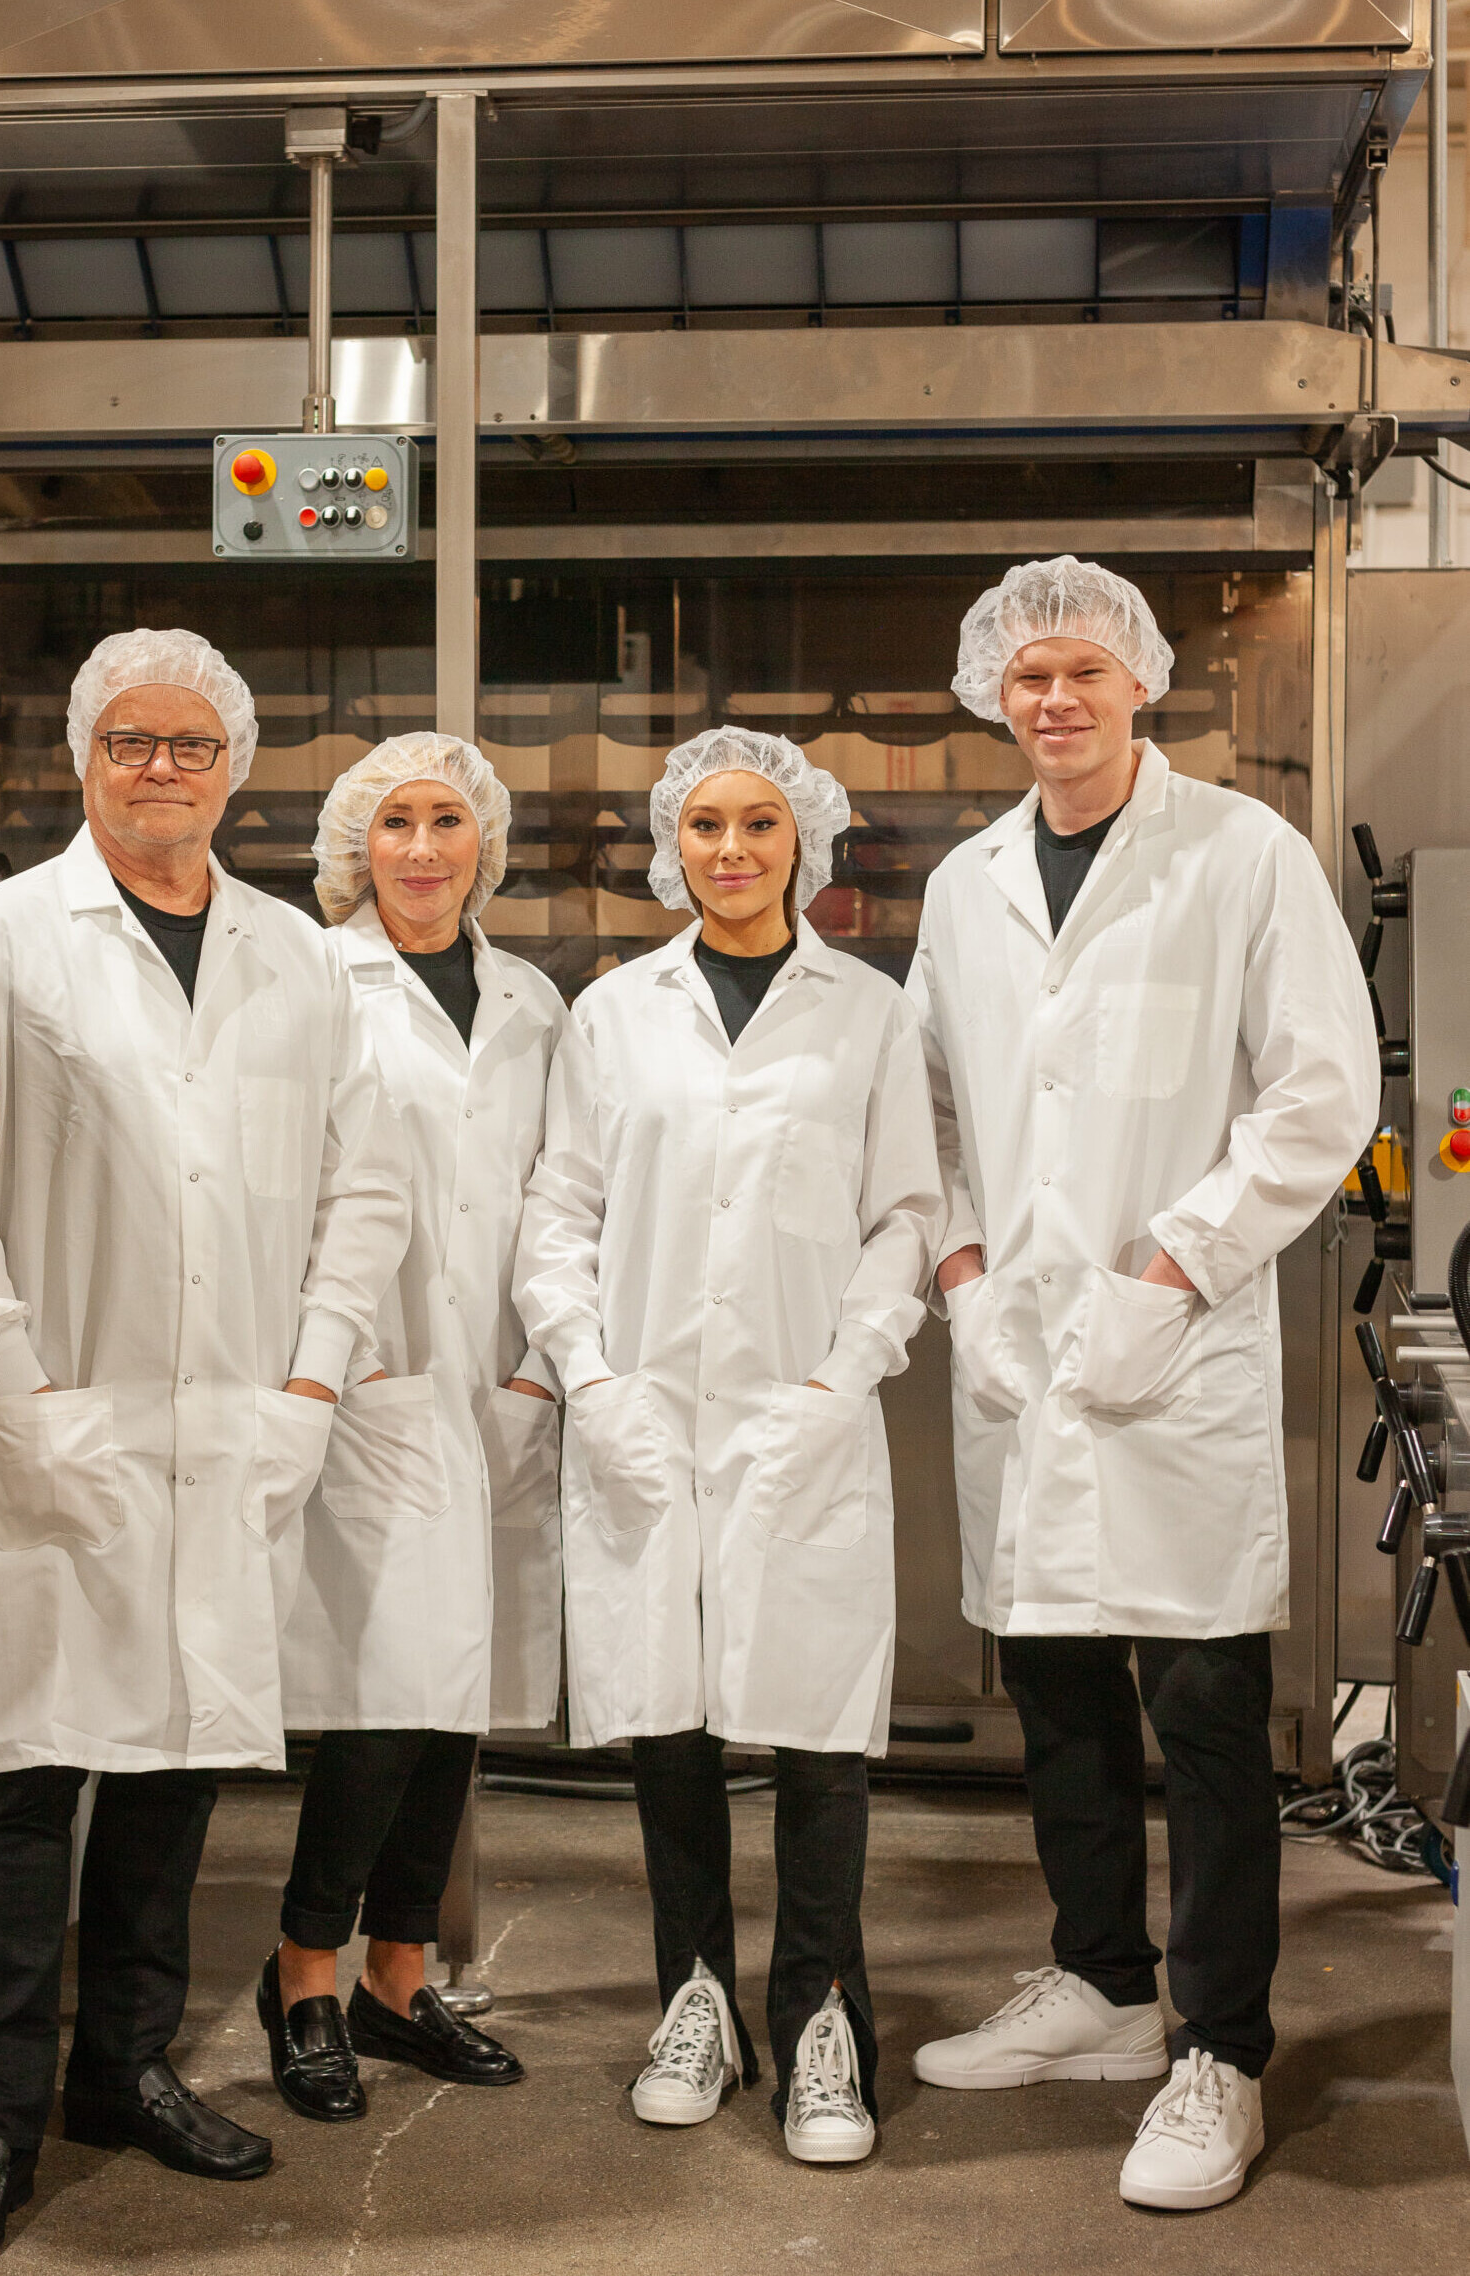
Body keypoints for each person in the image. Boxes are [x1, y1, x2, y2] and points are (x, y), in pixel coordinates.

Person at [0, 629, 411, 2271]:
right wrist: (17, 1394)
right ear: (85, 758)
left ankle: (124, 2070)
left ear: (234, 765)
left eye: (190, 743)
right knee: (22, 1791)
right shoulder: (5, 946)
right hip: (48, 1427)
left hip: (232, 1429)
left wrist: (309, 1390)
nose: (161, 766)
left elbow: (360, 1191)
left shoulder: (299, 962)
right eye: (130, 739)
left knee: (173, 1773)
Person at [904, 558, 1379, 2210]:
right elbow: (932, 1106)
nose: (1053, 700)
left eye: (1081, 674)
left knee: (1201, 1709)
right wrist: (960, 1275)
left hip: (1173, 1345)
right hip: (1020, 1354)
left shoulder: (1241, 855)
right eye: (1026, 677)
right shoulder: (966, 883)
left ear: (1138, 685)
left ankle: (1220, 2047)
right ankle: (1101, 1985)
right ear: (995, 696)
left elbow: (1321, 1096)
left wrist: (1171, 1266)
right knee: (1053, 1689)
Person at [516, 725, 944, 2165]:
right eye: (707, 825)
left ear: (803, 842)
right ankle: (695, 1997)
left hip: (804, 1414)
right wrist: (590, 1374)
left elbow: (906, 1217)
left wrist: (847, 1373)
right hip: (645, 1413)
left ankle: (825, 2021)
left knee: (819, 1731)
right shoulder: (612, 1015)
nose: (735, 848)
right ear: (671, 847)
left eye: (761, 823)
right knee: (674, 1727)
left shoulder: (869, 1014)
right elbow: (558, 1215)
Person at [259, 732, 566, 2119]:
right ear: (355, 848)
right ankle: (304, 1971)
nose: (426, 848)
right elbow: (285, 1193)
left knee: (459, 1697)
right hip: (372, 1376)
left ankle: (399, 1970)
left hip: (494, 1378)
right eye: (397, 823)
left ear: (483, 843)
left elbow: (564, 1191)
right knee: (383, 1694)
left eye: (450, 820)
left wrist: (538, 1370)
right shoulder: (306, 983)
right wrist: (331, 1363)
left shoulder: (533, 1002)